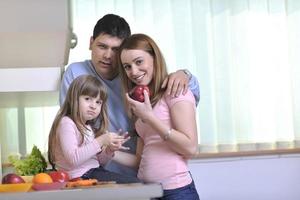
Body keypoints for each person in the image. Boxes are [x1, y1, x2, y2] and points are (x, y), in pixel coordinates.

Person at [59, 14, 200, 176]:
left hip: (138, 168)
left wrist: (185, 74)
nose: (108, 56)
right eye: (102, 46)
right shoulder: (75, 73)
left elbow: (176, 95)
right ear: (91, 43)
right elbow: (72, 123)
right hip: (95, 169)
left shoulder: (133, 77)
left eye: (116, 50)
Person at [114, 33, 200, 199]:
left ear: (154, 58)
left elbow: (190, 148)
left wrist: (150, 118)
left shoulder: (175, 91)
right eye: (127, 66)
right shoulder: (140, 102)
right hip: (148, 192)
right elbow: (140, 158)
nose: (133, 71)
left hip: (176, 192)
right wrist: (109, 153)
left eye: (139, 62)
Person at [48, 75, 140, 183]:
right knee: (136, 185)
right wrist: (101, 140)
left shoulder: (88, 128)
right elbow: (73, 159)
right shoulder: (66, 123)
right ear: (74, 98)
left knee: (138, 185)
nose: (93, 106)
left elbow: (98, 162)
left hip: (93, 172)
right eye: (87, 99)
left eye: (98, 102)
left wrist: (109, 150)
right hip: (81, 176)